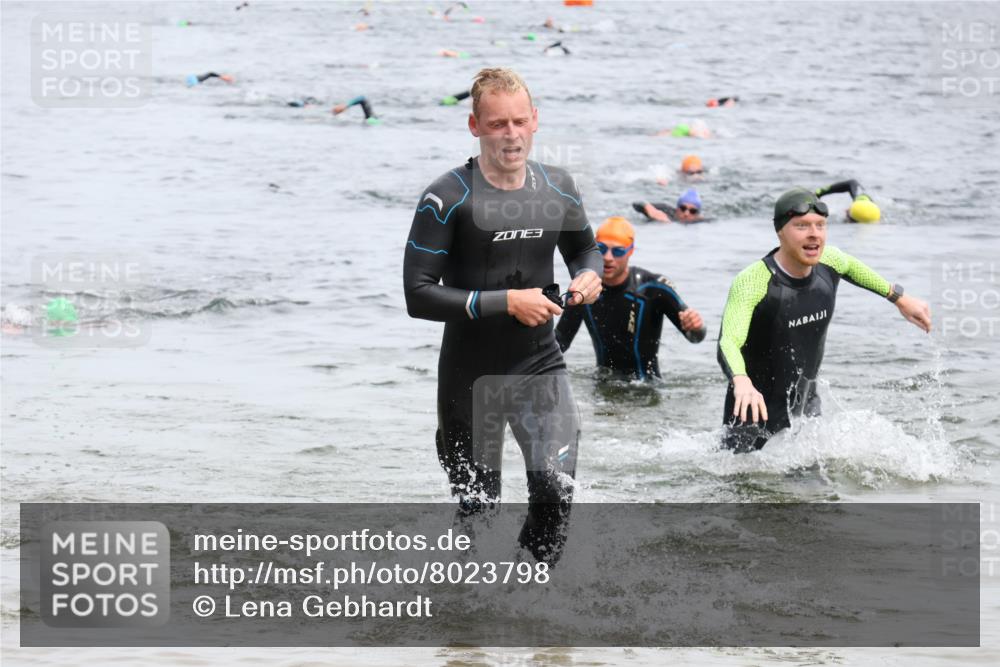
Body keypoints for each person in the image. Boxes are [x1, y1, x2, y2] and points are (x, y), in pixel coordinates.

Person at [403, 67, 603, 563]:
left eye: (519, 121)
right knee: (479, 509)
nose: (510, 135)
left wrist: (588, 276)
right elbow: (418, 294)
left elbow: (586, 250)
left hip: (540, 364)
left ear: (535, 120)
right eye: (497, 124)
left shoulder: (558, 186)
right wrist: (507, 301)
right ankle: (465, 626)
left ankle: (530, 611)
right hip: (470, 377)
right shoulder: (447, 198)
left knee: (556, 494)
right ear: (475, 126)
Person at [716, 188, 931, 452]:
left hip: (805, 407)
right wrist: (741, 380)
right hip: (751, 409)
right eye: (801, 226)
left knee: (816, 489)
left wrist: (898, 297)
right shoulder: (753, 280)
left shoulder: (830, 261)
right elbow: (729, 341)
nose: (814, 234)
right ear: (780, 230)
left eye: (820, 225)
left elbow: (852, 267)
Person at [556, 217, 705, 380]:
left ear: (631, 251)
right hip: (603, 388)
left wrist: (696, 327)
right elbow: (561, 341)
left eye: (618, 251)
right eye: (602, 248)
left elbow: (695, 338)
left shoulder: (653, 288)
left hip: (646, 389)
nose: (608, 257)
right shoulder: (584, 289)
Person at [815, 179, 881, 223]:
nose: (846, 211)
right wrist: (820, 192)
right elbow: (852, 182)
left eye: (848, 212)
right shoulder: (861, 198)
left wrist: (820, 192)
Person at [632, 188, 705, 223]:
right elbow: (637, 203)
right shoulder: (666, 210)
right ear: (677, 208)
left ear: (697, 215)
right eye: (683, 208)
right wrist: (652, 211)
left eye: (692, 211)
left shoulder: (700, 221)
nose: (686, 213)